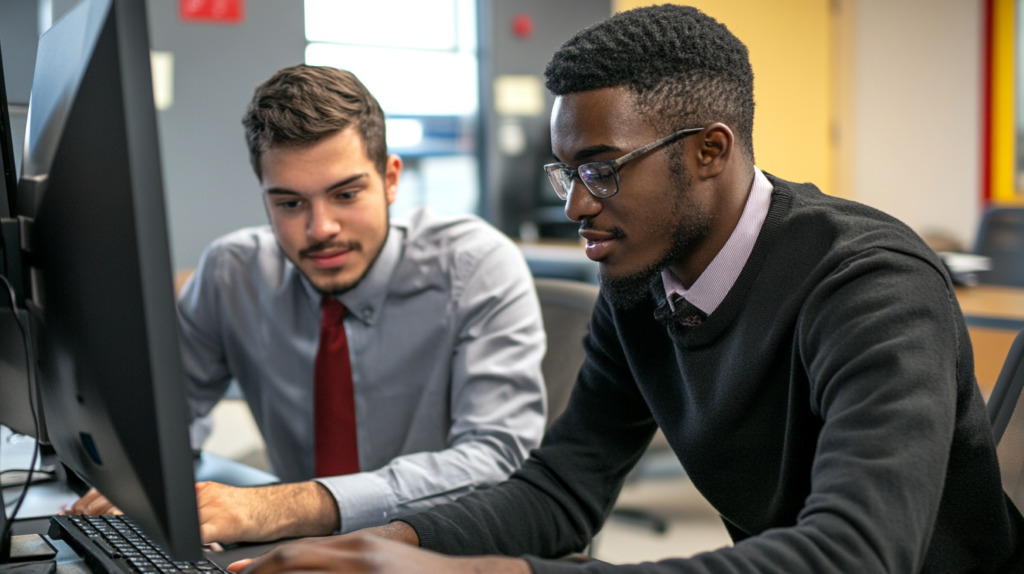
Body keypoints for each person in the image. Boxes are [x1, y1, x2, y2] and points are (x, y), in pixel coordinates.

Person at [230, 6, 1023, 574]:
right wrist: (392, 546)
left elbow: (857, 552)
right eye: (568, 172)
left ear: (710, 151)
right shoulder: (643, 282)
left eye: (600, 169)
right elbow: (563, 488)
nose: (576, 203)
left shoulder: (870, 287)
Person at [69, 65, 547, 544]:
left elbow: (496, 458)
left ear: (391, 179)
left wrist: (294, 505)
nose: (321, 229)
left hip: (440, 550)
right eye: (290, 203)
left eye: (346, 194)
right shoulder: (232, 272)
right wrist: (142, 479)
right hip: (296, 550)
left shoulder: (476, 267)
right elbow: (169, 414)